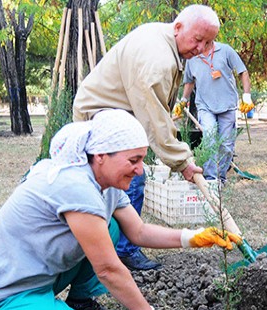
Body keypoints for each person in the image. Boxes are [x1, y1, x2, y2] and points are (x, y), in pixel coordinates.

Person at [0, 110, 241, 310]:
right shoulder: (75, 186)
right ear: (102, 156)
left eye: (142, 159)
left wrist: (194, 237)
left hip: (34, 276)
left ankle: (76, 305)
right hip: (0, 292)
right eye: (134, 160)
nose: (140, 169)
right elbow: (107, 268)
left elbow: (139, 231)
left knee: (112, 226)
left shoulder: (106, 184)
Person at [73, 4, 220, 271]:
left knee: (128, 180)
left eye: (209, 42)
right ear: (178, 28)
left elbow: (156, 112)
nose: (201, 48)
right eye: (198, 39)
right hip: (98, 115)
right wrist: (182, 160)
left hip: (117, 115)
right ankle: (120, 251)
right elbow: (154, 118)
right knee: (131, 178)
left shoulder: (167, 45)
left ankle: (119, 248)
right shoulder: (158, 59)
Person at [175, 41, 252, 183]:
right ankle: (211, 179)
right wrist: (183, 101)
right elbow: (189, 81)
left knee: (226, 146)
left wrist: (246, 96)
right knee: (209, 139)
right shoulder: (192, 57)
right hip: (205, 106)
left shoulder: (226, 51)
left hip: (227, 105)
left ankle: (221, 179)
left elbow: (243, 72)